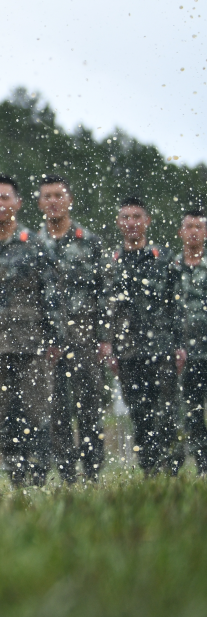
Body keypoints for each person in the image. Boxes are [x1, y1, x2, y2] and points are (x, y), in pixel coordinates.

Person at [0, 175, 64, 487]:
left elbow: (52, 295)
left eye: (5, 198)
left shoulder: (35, 245)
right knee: (2, 415)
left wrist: (54, 337)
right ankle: (16, 477)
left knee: (36, 414)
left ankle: (38, 476)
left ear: (17, 204)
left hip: (32, 344)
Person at [103, 197, 186, 476]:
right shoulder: (111, 263)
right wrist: (111, 348)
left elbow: (177, 305)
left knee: (167, 414)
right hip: (128, 354)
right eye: (125, 217)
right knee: (140, 415)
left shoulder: (163, 258)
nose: (131, 223)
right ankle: (150, 470)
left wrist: (180, 345)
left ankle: (173, 470)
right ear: (118, 223)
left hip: (161, 349)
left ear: (147, 221)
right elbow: (109, 310)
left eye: (137, 217)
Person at [36, 175, 108, 483]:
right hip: (45, 338)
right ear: (40, 203)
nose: (53, 201)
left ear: (70, 200)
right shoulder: (32, 244)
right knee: (55, 410)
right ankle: (66, 473)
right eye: (47, 196)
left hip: (84, 335)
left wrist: (104, 338)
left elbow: (104, 292)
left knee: (89, 406)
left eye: (58, 195)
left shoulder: (88, 241)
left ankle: (92, 471)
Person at [173, 207, 207, 473]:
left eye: (199, 226)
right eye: (189, 227)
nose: (194, 232)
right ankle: (201, 465)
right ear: (181, 232)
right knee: (191, 412)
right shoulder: (171, 268)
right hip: (185, 353)